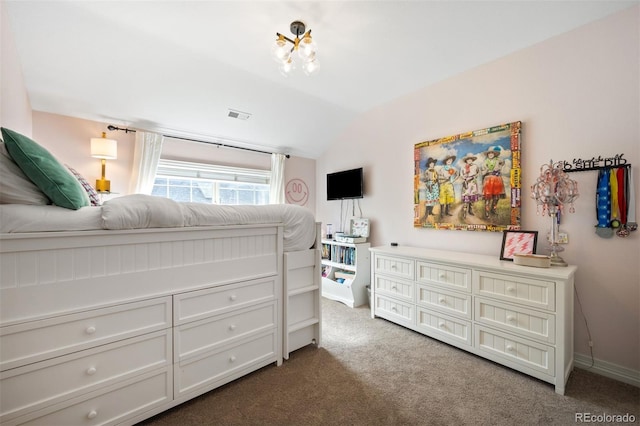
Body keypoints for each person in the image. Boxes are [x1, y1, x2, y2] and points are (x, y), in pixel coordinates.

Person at [481, 146, 506, 218]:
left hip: (497, 179)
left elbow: (503, 162)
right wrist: (487, 170)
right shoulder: (485, 162)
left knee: (496, 197)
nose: (491, 154)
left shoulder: (498, 160)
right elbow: (483, 172)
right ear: (487, 154)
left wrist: (499, 167)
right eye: (489, 153)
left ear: (494, 154)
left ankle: (493, 209)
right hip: (488, 179)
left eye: (492, 153)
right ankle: (487, 212)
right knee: (487, 197)